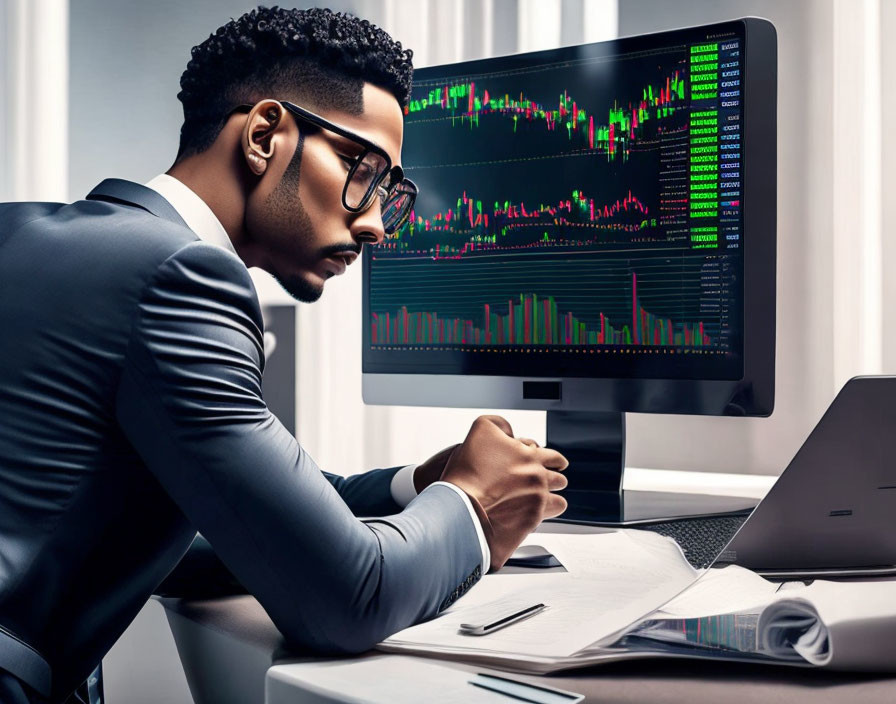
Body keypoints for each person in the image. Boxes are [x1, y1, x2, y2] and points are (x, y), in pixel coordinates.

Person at [0, 7, 569, 703]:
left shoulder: (29, 235)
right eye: (363, 169)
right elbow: (346, 598)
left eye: (391, 193)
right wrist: (476, 504)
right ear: (266, 135)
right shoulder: (180, 276)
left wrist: (414, 485)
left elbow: (228, 515)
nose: (376, 224)